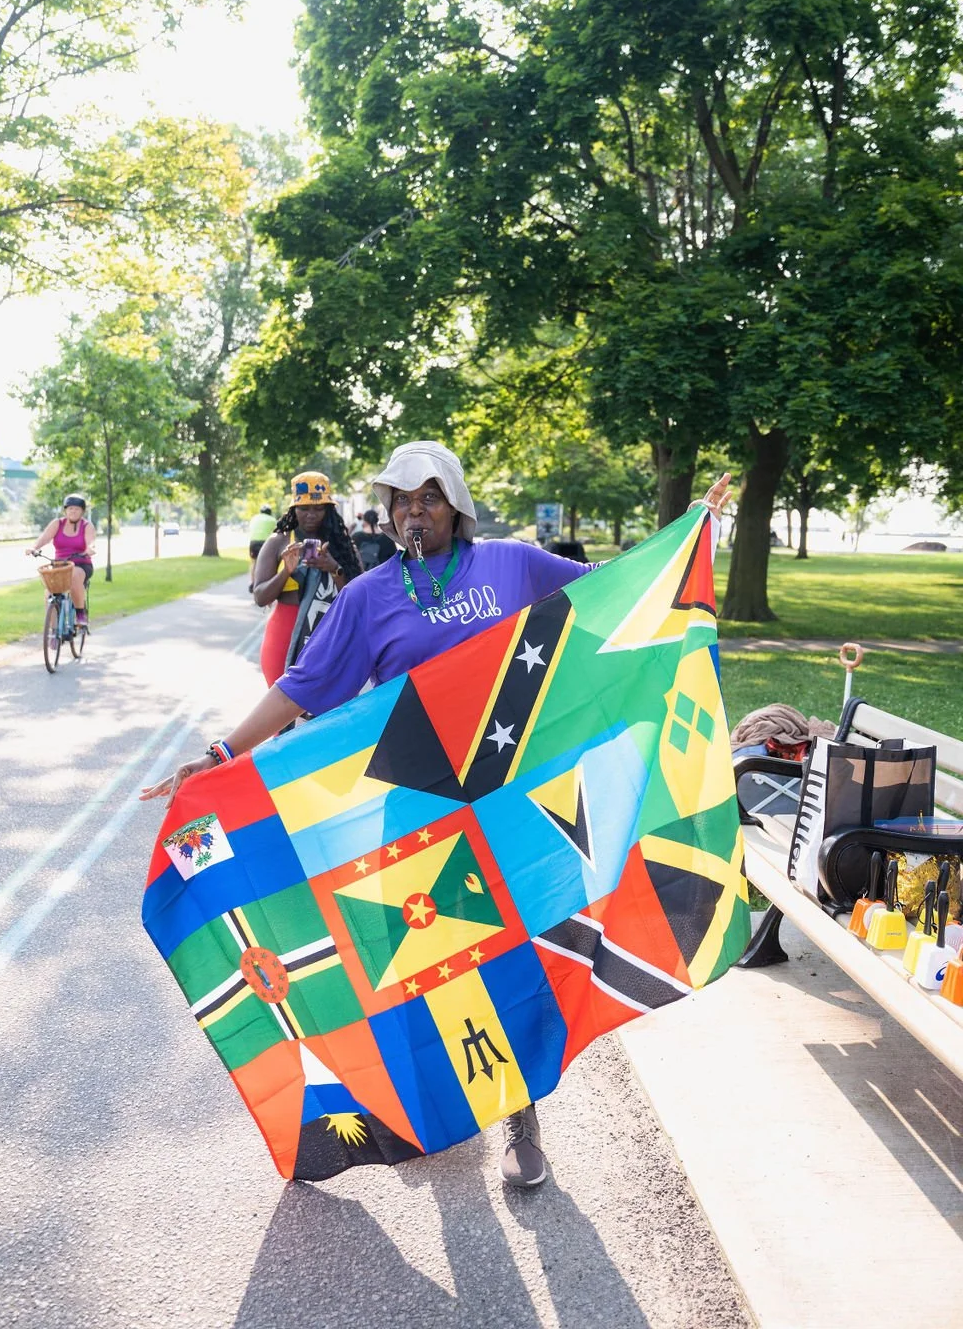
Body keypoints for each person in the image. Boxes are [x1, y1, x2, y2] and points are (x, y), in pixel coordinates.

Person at [142, 441, 732, 1188]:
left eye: (427, 498)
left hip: (514, 803)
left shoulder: (513, 565)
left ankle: (521, 1113)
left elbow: (614, 590)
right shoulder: (368, 596)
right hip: (413, 809)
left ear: (456, 505)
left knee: (522, 954)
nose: (412, 512)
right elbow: (302, 686)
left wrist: (688, 535)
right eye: (400, 500)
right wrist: (223, 754)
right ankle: (437, 1107)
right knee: (430, 967)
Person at [252, 471, 363, 687]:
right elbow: (260, 597)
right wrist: (286, 572)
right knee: (280, 711)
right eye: (303, 508)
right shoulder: (278, 542)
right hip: (284, 634)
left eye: (318, 508)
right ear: (294, 509)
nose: (311, 515)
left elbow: (358, 597)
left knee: (326, 711)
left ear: (328, 510)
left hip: (328, 634)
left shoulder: (342, 544)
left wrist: (334, 568)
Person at [25, 494, 95, 629]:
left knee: (74, 576)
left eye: (77, 509)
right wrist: (34, 548)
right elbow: (44, 538)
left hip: (81, 562)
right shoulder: (57, 524)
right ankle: (53, 630)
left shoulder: (87, 526)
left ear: (82, 511)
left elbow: (91, 541)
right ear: (65, 510)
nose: (73, 511)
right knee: (49, 592)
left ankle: (80, 614)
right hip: (60, 564)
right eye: (70, 509)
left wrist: (90, 549)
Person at [247, 505, 275, 591]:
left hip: (254, 542)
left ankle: (252, 582)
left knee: (254, 562)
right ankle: (264, 581)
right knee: (267, 562)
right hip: (265, 543)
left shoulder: (254, 518)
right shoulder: (272, 520)